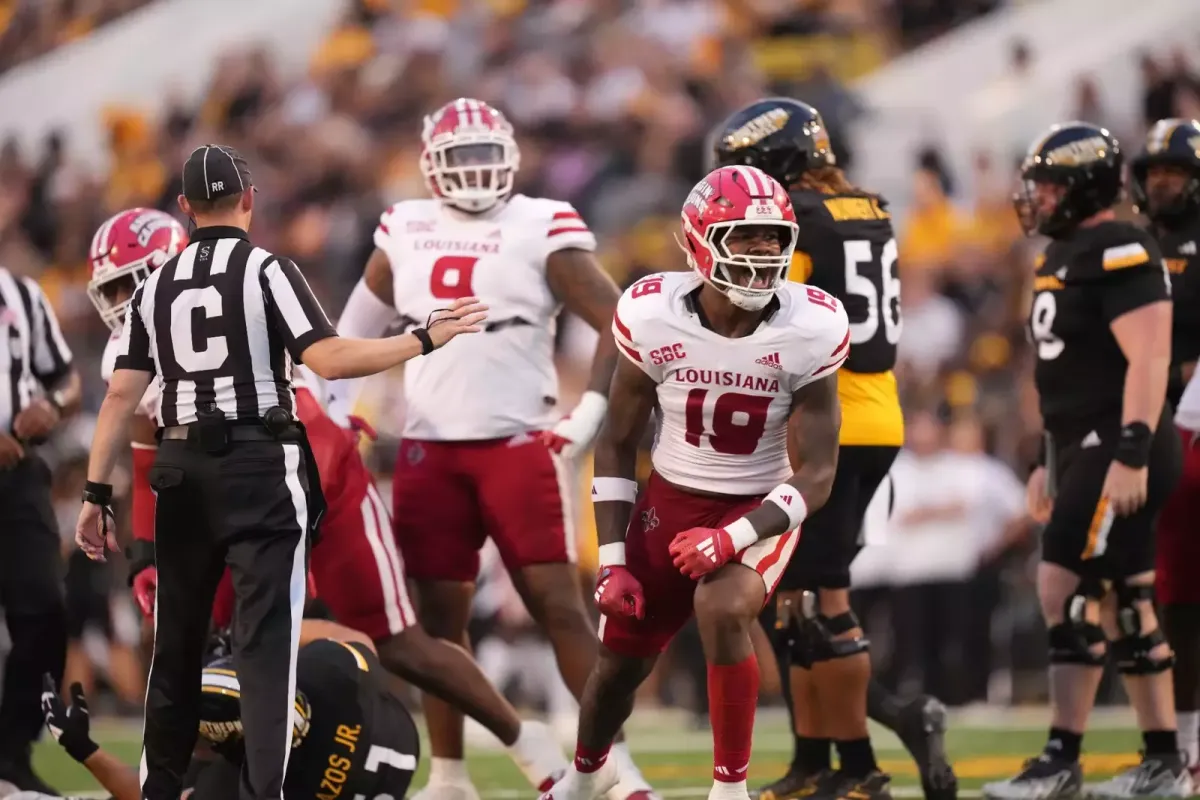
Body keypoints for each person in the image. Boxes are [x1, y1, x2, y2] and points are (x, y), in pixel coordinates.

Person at [84, 206, 566, 792]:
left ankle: (528, 745)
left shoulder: (250, 302)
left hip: (321, 489)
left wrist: (292, 530)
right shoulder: (132, 346)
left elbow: (314, 413)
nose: (118, 298)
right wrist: (144, 555)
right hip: (236, 501)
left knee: (401, 645)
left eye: (126, 281)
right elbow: (144, 454)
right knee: (201, 651)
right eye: (108, 287)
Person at [326, 97, 651, 800]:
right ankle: (448, 774)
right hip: (428, 448)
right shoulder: (403, 226)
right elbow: (347, 336)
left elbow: (620, 320)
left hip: (515, 440)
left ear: (507, 155)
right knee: (438, 622)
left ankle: (612, 765)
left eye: (484, 155)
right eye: (460, 157)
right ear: (431, 165)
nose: (474, 171)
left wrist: (590, 409)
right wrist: (343, 417)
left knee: (558, 606)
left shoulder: (540, 223)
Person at [541, 164, 848, 800]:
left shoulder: (810, 327)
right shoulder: (652, 314)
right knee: (619, 664)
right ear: (699, 242)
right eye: (746, 238)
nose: (764, 258)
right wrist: (613, 560)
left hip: (759, 503)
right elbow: (620, 442)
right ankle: (586, 773)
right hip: (671, 498)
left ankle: (728, 789)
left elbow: (817, 472)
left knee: (722, 605)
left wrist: (736, 535)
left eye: (774, 240)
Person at [712, 97, 955, 800]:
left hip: (827, 422)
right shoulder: (866, 208)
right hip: (873, 414)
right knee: (793, 604)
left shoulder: (796, 219)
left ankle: (858, 766)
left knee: (822, 602)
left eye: (746, 171)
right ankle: (816, 760)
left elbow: (764, 314)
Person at [983, 121, 1188, 800]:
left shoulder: (1121, 245)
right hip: (1083, 444)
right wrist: (1048, 457)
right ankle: (1164, 760)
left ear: (1083, 187)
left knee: (1061, 587)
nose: (1036, 199)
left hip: (1117, 444)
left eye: (1048, 186)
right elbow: (1059, 374)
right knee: (1129, 598)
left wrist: (1130, 450)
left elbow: (1149, 356)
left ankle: (1060, 759)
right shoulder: (1068, 250)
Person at [37, 618, 420, 800]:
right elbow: (356, 638)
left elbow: (151, 797)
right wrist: (250, 642)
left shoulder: (241, 787)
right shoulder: (326, 675)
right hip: (396, 740)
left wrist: (85, 750)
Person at [1131, 117, 1200, 776]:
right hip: (1162, 432)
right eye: (1154, 173)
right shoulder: (1136, 243)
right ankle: (1184, 742)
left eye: (1174, 172)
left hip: (1190, 421)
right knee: (1173, 592)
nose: (1162, 183)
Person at [0, 261, 81, 794]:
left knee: (45, 607)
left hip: (18, 475)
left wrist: (52, 406)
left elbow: (66, 379)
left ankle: (11, 755)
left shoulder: (23, 294)